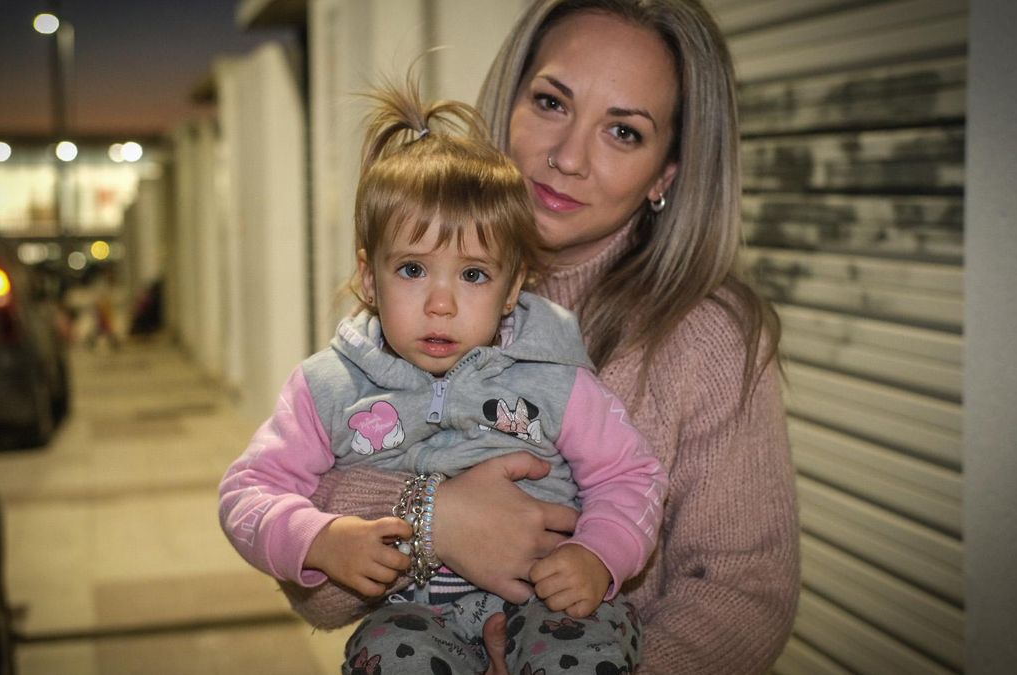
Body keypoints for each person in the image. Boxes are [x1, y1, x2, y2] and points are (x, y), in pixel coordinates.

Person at [282, 1, 801, 673]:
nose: (567, 157)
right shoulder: (418, 296)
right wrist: (433, 518)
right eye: (552, 103)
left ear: (665, 175)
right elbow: (312, 593)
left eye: (623, 132)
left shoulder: (709, 336)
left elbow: (746, 593)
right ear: (509, 102)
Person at [219, 79, 668, 675]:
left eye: (474, 276)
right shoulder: (327, 387)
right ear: (369, 278)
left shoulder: (555, 377)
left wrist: (599, 555)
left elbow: (631, 474)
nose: (440, 304)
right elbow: (246, 492)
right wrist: (317, 538)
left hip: (549, 601)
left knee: (580, 651)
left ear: (512, 290)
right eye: (412, 268)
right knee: (384, 655)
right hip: (414, 618)